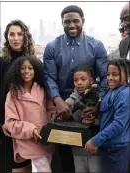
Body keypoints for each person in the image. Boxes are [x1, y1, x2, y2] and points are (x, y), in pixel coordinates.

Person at [43, 5, 108, 172]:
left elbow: (105, 78)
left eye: (75, 21)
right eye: (67, 21)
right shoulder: (52, 47)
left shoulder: (97, 46)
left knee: (90, 154)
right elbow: (49, 76)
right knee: (65, 157)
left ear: (83, 21)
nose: (71, 25)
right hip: (62, 107)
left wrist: (97, 105)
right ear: (62, 23)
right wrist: (58, 101)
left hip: (89, 106)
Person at [2, 55, 55, 172]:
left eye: (30, 68)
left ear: (36, 70)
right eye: (23, 68)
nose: (26, 71)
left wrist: (53, 124)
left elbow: (51, 110)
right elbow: (10, 123)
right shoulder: (13, 94)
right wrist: (31, 130)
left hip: (45, 139)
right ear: (17, 70)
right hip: (28, 142)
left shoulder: (42, 89)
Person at [0, 19, 35, 172]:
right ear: (6, 37)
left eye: (19, 34)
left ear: (25, 36)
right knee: (9, 163)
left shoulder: (32, 62)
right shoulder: (2, 63)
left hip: (27, 123)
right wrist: (2, 122)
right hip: (7, 122)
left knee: (25, 164)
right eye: (11, 34)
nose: (16, 38)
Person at [85, 58, 130, 173]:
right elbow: (108, 112)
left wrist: (96, 141)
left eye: (115, 74)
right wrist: (95, 115)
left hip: (117, 148)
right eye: (108, 74)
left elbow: (118, 124)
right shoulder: (112, 90)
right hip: (109, 145)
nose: (110, 78)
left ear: (128, 75)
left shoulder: (125, 94)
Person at [65, 64, 102, 173]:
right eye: (76, 80)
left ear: (91, 80)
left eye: (83, 79)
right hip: (77, 149)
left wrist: (95, 120)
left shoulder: (99, 99)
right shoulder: (69, 101)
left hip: (96, 150)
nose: (79, 83)